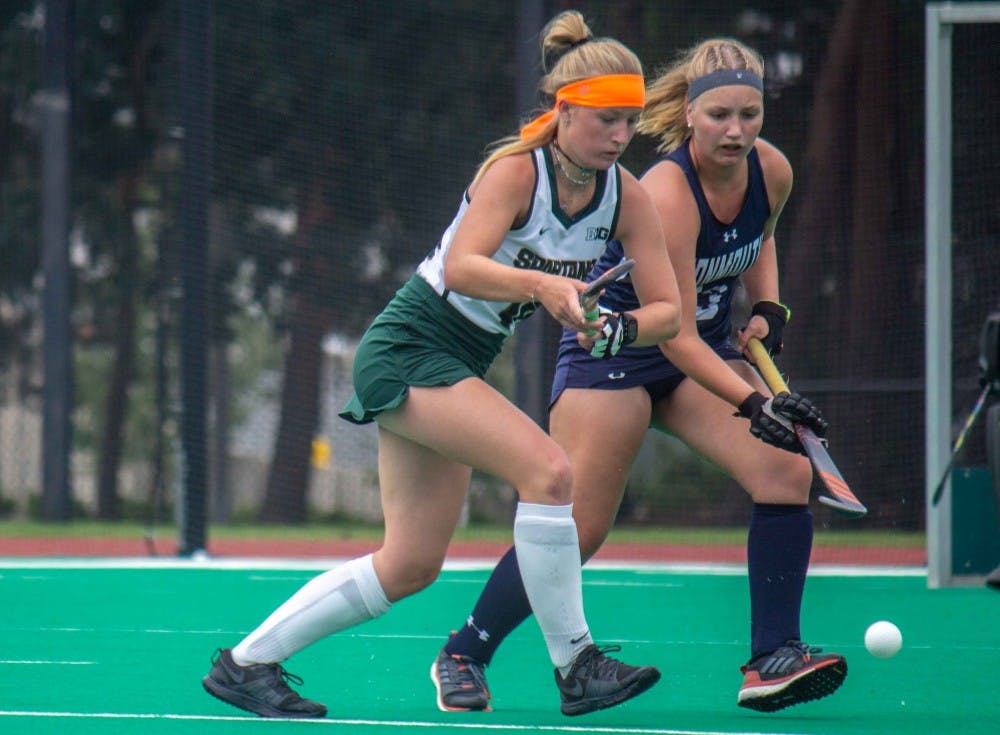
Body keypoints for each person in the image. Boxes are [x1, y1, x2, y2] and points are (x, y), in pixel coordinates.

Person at [201, 10, 681, 720]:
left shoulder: (625, 195)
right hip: (410, 347)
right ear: (564, 109)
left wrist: (618, 326)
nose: (620, 135)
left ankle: (245, 665)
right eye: (607, 118)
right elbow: (461, 267)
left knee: (412, 562)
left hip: (459, 360)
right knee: (549, 471)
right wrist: (544, 286)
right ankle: (577, 663)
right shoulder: (518, 171)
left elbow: (668, 310)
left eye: (630, 121)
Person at [432, 37, 846, 715]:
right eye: (719, 115)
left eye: (749, 113)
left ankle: (774, 656)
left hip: (703, 355)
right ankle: (465, 651)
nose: (736, 129)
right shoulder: (667, 191)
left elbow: (760, 236)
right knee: (580, 526)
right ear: (689, 114)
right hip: (618, 351)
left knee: (786, 473)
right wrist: (752, 398)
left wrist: (768, 310)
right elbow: (673, 329)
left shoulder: (771, 170)